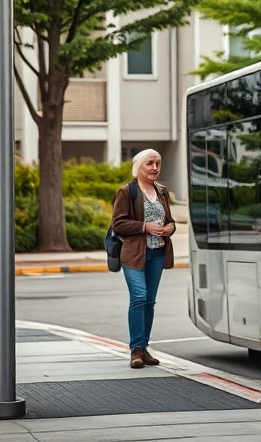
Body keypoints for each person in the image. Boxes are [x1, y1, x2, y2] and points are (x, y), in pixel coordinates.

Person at [110, 149, 177, 369]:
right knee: (139, 297)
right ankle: (136, 351)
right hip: (134, 254)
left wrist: (170, 227)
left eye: (158, 163)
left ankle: (145, 348)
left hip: (157, 253)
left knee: (149, 302)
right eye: (150, 163)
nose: (155, 168)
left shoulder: (162, 191)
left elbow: (169, 219)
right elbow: (117, 224)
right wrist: (144, 227)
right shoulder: (127, 192)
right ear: (139, 166)